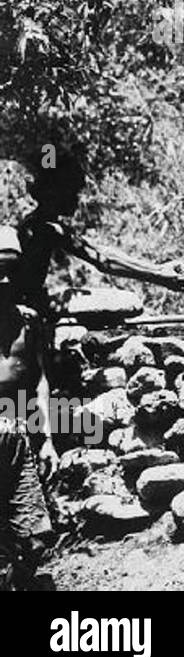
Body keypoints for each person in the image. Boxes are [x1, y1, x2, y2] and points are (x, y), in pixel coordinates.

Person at [14, 147, 184, 327]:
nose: (77, 199)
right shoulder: (46, 228)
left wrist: (158, 270)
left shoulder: (38, 223)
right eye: (72, 192)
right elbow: (103, 260)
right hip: (27, 307)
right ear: (54, 193)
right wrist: (159, 275)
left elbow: (101, 253)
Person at [0, 226, 57, 590]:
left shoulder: (29, 322)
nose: (4, 278)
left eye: (11, 269)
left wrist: (48, 439)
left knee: (35, 538)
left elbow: (39, 382)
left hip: (16, 435)